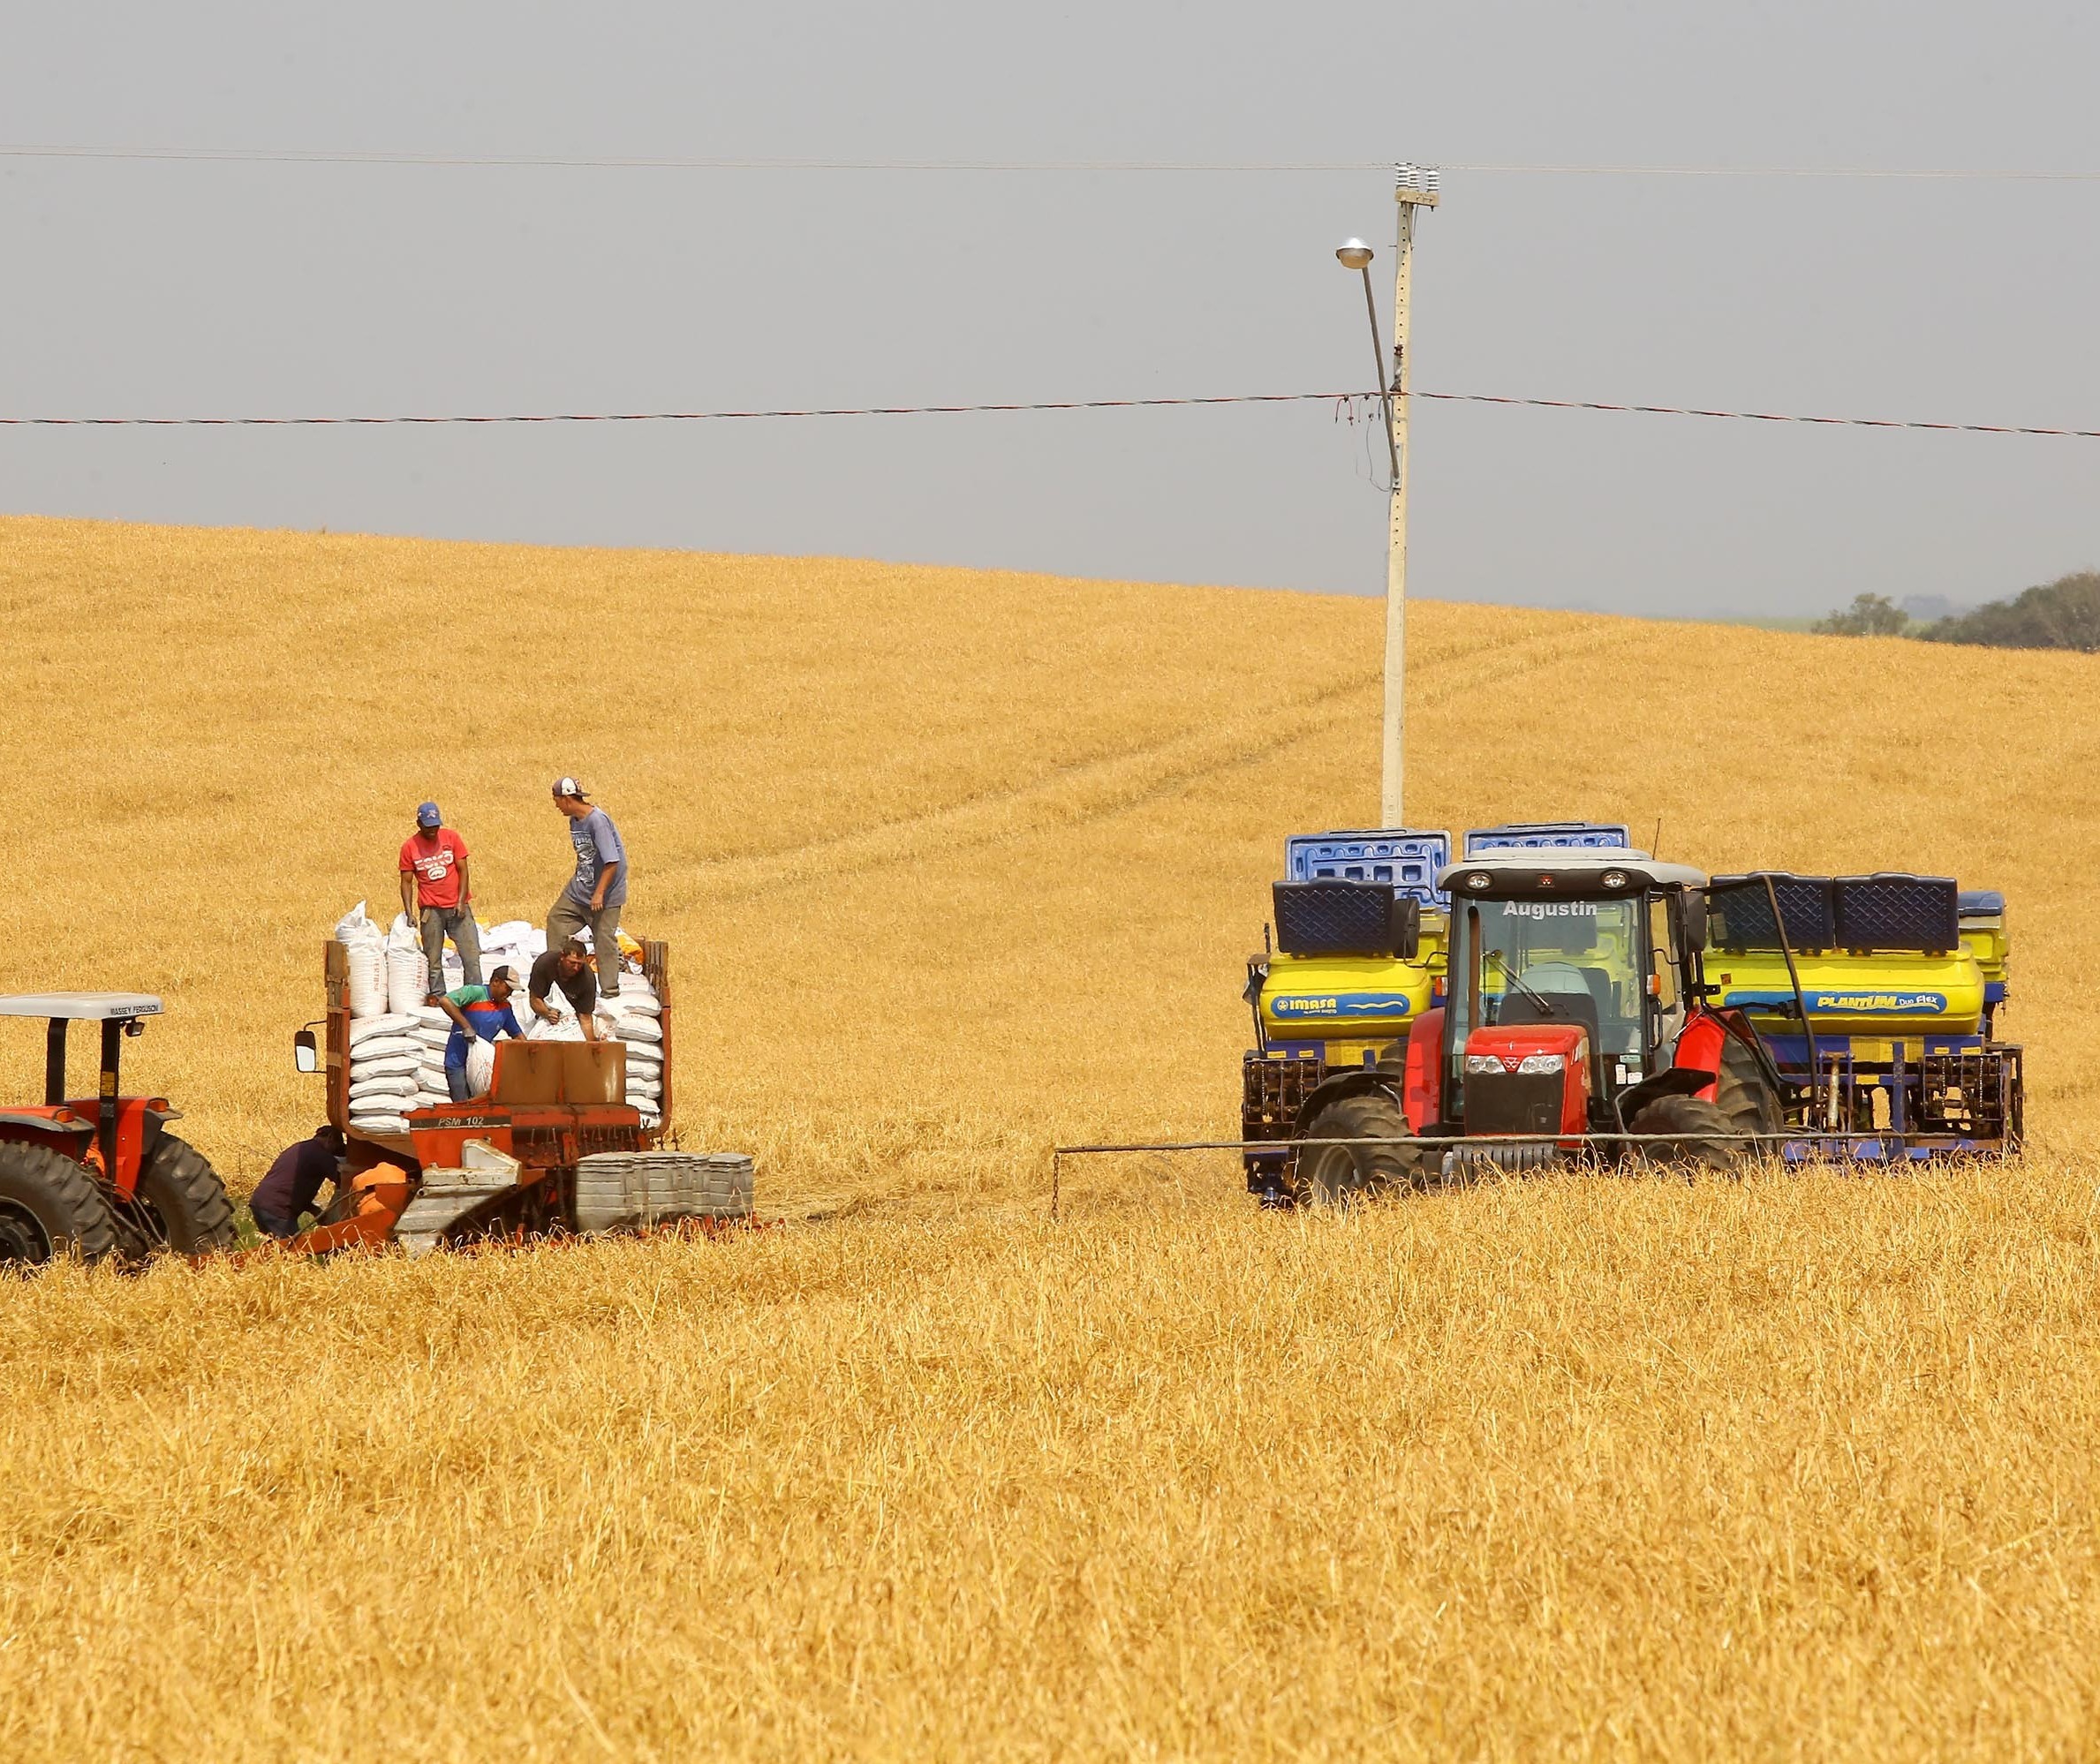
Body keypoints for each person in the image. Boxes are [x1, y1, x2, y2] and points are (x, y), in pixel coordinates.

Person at [546, 776, 629, 1001]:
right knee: (556, 920)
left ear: (566, 799)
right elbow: (586, 857)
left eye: (556, 800)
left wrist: (599, 893)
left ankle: (610, 991)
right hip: (579, 890)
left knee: (604, 939)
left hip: (606, 895)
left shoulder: (597, 821)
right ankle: (561, 981)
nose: (555, 805)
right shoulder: (575, 820)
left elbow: (612, 861)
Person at [400, 801, 482, 997]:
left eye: (436, 826)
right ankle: (438, 995)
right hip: (431, 911)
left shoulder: (451, 838)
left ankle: (473, 994)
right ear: (419, 824)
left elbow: (463, 871)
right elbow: (406, 882)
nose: (433, 831)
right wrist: (409, 912)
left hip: (457, 908)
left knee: (471, 955)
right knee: (433, 958)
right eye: (428, 827)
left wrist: (461, 901)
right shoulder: (409, 847)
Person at [437, 966, 525, 1102]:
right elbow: (445, 1001)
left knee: (481, 1105)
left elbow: (517, 1034)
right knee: (462, 1106)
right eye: (508, 989)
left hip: (480, 1065)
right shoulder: (475, 993)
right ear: (496, 981)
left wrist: (530, 1052)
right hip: (458, 1061)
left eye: (512, 991)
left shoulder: (505, 1008)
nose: (509, 994)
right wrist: (466, 1027)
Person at [250, 1124, 346, 1240]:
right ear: (330, 1138)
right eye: (336, 1148)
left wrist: (314, 1210)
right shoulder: (321, 1155)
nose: (334, 1153)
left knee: (276, 1248)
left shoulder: (301, 1148)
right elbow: (344, 1181)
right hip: (278, 1208)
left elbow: (293, 1186)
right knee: (294, 1250)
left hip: (261, 1202)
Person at [526, 938, 602, 1043]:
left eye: (580, 964)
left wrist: (591, 1044)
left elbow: (585, 1017)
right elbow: (534, 998)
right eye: (572, 963)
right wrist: (547, 1013)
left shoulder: (587, 978)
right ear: (562, 956)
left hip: (572, 1016)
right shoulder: (545, 964)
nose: (576, 968)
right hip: (547, 1011)